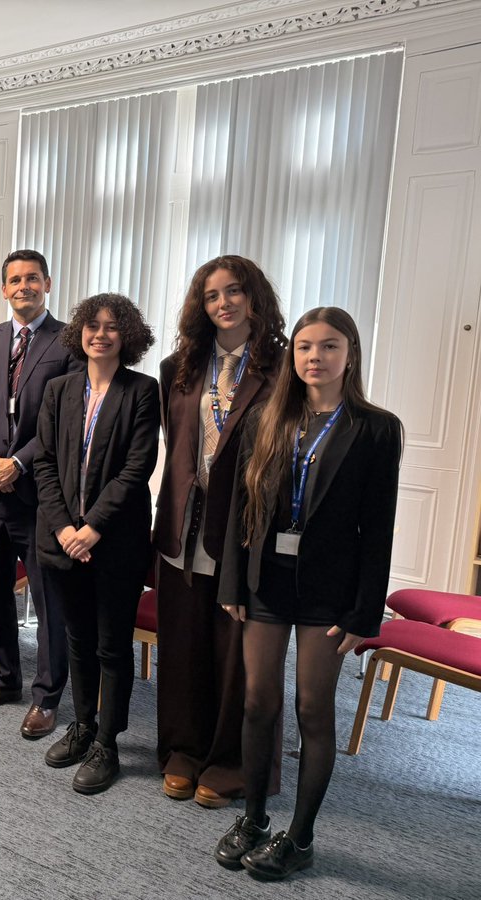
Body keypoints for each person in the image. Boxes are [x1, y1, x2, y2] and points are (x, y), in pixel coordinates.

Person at [214, 307, 402, 880]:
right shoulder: (268, 420)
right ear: (292, 355)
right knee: (257, 701)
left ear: (351, 354)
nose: (314, 357)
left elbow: (379, 528)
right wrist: (232, 580)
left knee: (313, 709)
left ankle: (300, 837)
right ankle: (253, 819)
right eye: (304, 347)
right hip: (266, 580)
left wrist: (366, 611)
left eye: (329, 346)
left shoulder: (375, 427)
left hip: (330, 590)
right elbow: (240, 511)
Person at [153, 256, 288, 808]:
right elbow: (177, 445)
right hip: (183, 525)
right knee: (184, 645)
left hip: (245, 530)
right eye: (212, 295)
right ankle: (184, 751)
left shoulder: (284, 368)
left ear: (254, 298)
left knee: (239, 657)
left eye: (234, 292)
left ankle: (233, 763)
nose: (223, 303)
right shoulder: (179, 367)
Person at [34, 293, 160, 793]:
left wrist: (93, 528)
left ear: (126, 336)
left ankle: (108, 741)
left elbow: (137, 468)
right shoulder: (59, 389)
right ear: (79, 332)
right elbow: (43, 463)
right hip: (63, 540)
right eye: (92, 325)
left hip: (115, 543)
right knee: (78, 641)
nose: (100, 334)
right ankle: (83, 725)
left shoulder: (142, 391)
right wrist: (66, 528)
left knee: (112, 646)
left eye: (111, 327)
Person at [0, 249, 81, 739]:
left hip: (39, 494)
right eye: (14, 279)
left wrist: (19, 462)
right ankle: (4, 677)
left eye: (33, 278)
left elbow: (64, 418)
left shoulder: (69, 341)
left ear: (47, 284)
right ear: (3, 289)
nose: (23, 286)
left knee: (49, 601)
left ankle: (47, 697)